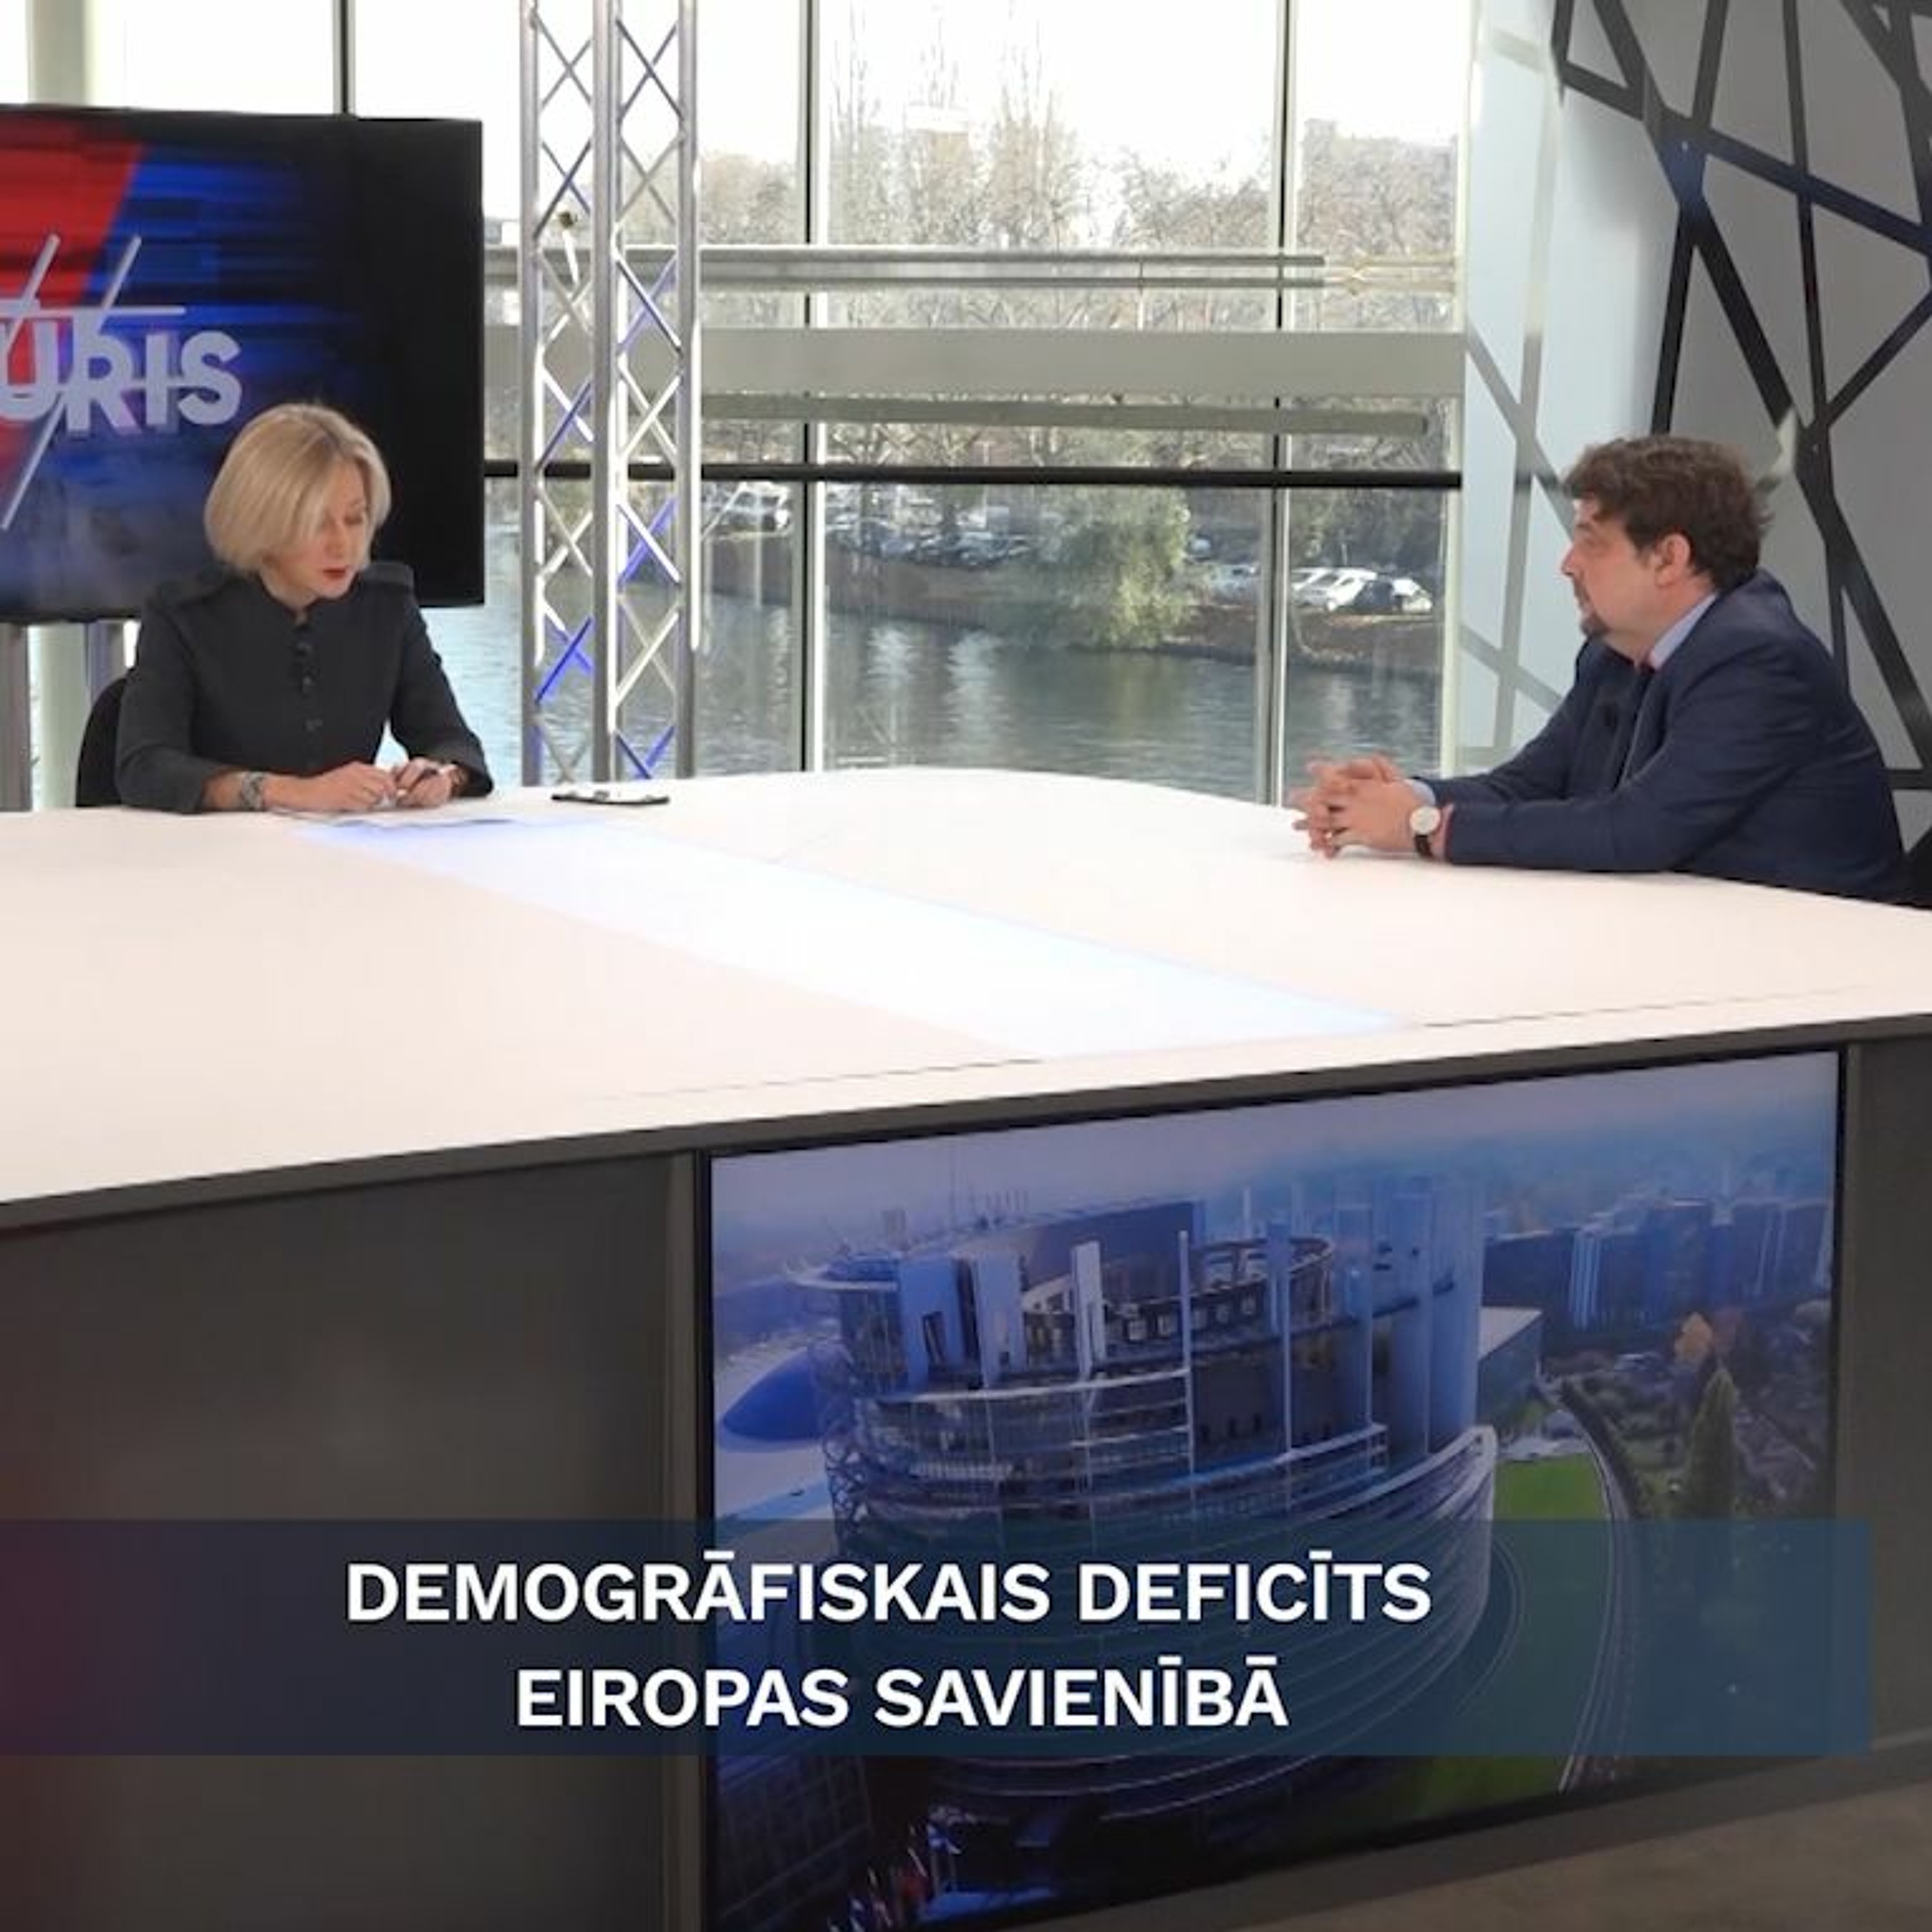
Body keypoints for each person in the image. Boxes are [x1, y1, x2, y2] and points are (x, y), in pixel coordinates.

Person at [1290, 435, 1906, 902]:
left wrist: (1422, 828)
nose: (1568, 564)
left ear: (1668, 558)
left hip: (1830, 983)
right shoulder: (1616, 650)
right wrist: (1398, 799)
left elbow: (1639, 829)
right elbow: (1529, 785)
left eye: (1592, 542)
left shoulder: (1759, 660)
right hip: (1690, 945)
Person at [116, 402, 491, 815]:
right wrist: (286, 792)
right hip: (215, 851)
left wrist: (443, 775)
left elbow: (451, 741)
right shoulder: (183, 616)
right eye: (316, 523)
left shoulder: (387, 606)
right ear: (261, 521)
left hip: (347, 847)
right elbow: (145, 767)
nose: (343, 544)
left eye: (355, 519)